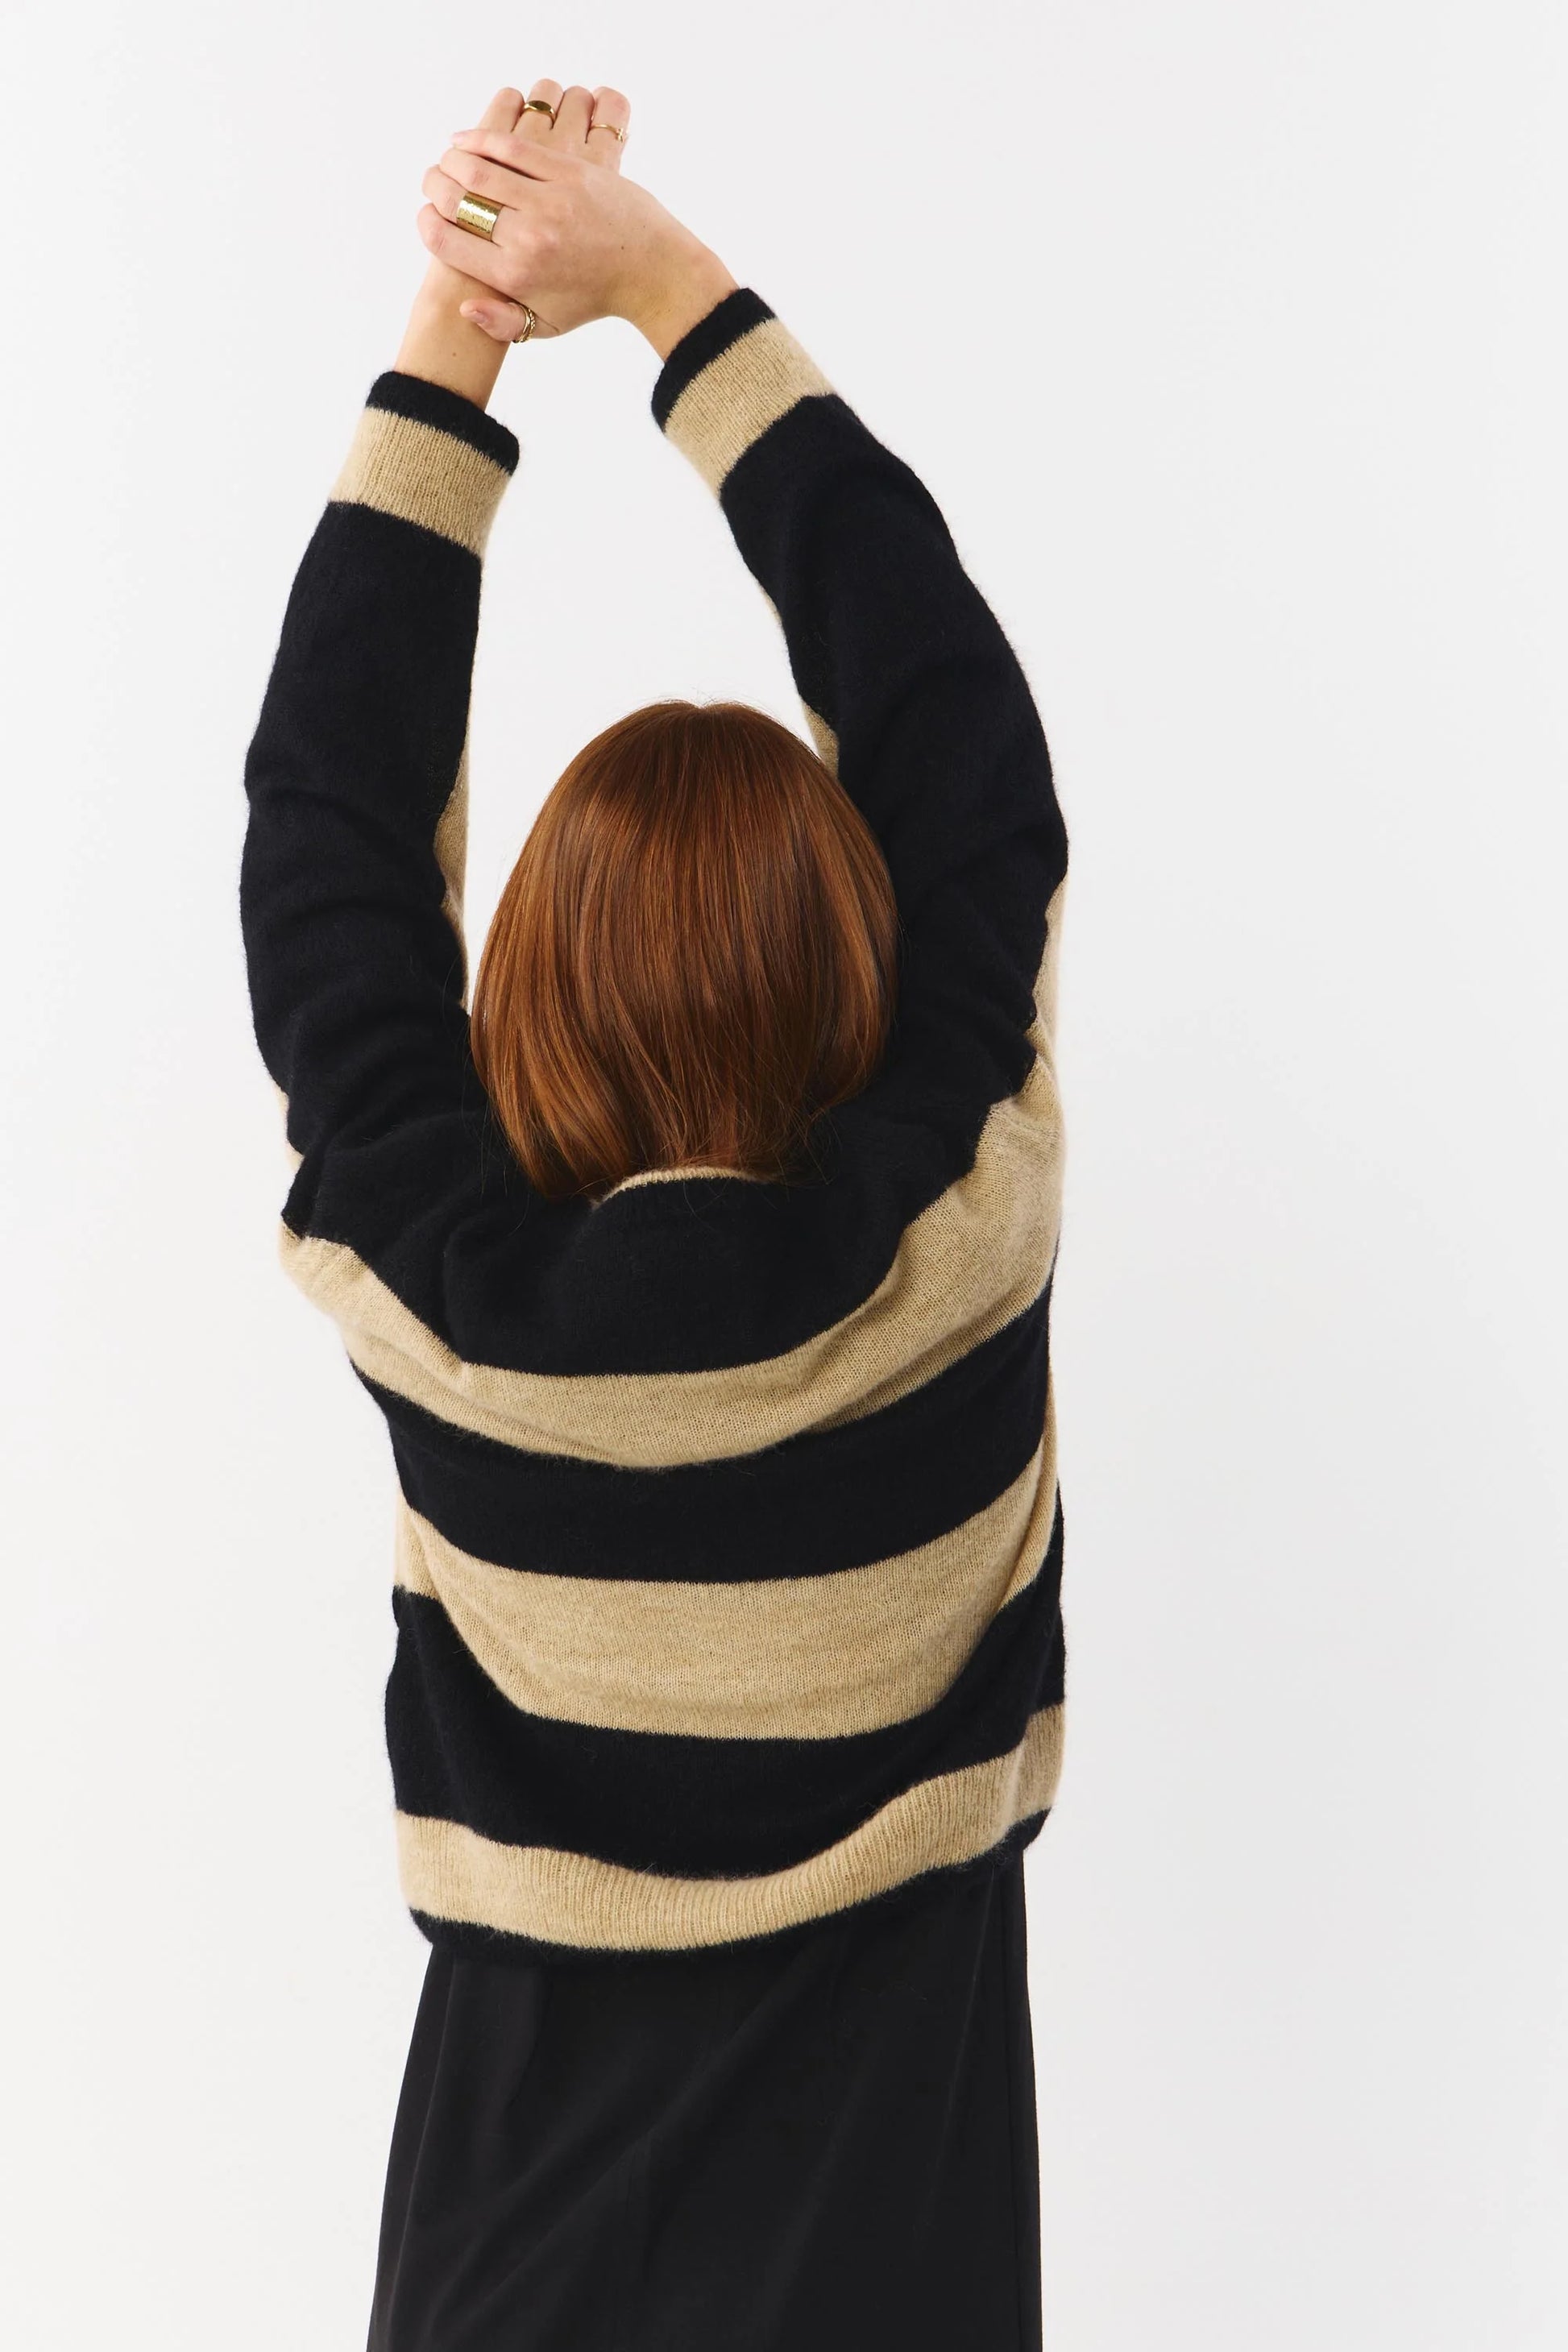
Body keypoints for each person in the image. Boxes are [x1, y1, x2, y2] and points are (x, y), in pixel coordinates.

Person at [241, 74, 1069, 2352]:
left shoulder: (447, 1313)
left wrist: (465, 322)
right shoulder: (952, 1252)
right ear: (860, 987)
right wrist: (664, 289)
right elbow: (957, 745)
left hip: (499, 2283)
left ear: (527, 998)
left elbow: (326, 835)